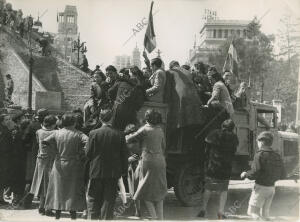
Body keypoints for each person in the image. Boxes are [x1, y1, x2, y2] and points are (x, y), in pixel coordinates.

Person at [85, 109, 128, 220]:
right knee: (108, 200)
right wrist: (123, 171)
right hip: (113, 172)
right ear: (112, 119)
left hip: (96, 170)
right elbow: (124, 155)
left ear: (100, 118)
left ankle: (93, 219)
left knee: (94, 199)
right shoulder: (120, 134)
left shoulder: (93, 133)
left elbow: (88, 154)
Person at [44, 113, 88, 220]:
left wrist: (55, 152)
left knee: (58, 189)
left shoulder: (57, 133)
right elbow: (88, 142)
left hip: (59, 164)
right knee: (73, 190)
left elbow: (45, 142)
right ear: (74, 122)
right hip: (74, 164)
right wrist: (81, 154)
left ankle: (58, 214)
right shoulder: (79, 134)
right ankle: (73, 214)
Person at [126, 110, 167, 220]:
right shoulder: (160, 130)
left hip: (148, 161)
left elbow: (129, 140)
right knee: (159, 192)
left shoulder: (144, 129)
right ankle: (161, 219)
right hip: (160, 161)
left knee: (145, 192)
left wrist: (126, 135)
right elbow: (164, 146)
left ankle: (153, 218)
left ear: (147, 118)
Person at [197, 119, 239, 219]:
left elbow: (206, 142)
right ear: (232, 128)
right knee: (224, 190)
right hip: (226, 167)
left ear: (222, 126)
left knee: (208, 188)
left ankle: (203, 209)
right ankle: (220, 211)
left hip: (213, 166)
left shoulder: (215, 133)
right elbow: (234, 151)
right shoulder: (234, 137)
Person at [241, 131, 286, 220]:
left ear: (261, 142)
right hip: (272, 188)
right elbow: (283, 174)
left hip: (260, 188)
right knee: (265, 214)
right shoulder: (277, 155)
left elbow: (255, 173)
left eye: (258, 142)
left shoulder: (259, 155)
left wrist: (246, 174)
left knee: (252, 212)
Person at [21, 108, 49, 209]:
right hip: (42, 156)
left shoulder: (32, 125)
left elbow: (24, 139)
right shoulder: (49, 127)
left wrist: (29, 148)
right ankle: (41, 204)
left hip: (33, 155)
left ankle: (26, 202)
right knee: (36, 179)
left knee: (31, 179)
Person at [30, 115, 57, 216]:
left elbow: (38, 143)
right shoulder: (56, 132)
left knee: (41, 183)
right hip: (51, 160)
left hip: (41, 160)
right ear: (53, 123)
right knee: (50, 184)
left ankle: (41, 206)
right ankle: (48, 208)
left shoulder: (39, 132)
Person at [0, 114, 14, 206]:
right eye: (6, 119)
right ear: (2, 121)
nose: (8, 121)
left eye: (9, 119)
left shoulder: (5, 129)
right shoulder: (4, 130)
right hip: (3, 157)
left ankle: (1, 198)